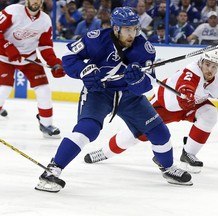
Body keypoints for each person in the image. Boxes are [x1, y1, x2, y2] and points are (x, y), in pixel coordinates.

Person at [35, 6, 192, 193]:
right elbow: (69, 57)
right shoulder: (95, 39)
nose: (132, 33)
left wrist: (137, 80)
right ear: (116, 28)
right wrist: (84, 71)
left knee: (160, 133)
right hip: (98, 92)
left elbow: (147, 85)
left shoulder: (145, 49)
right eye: (127, 29)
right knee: (88, 130)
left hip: (129, 96)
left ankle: (167, 168)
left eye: (134, 29)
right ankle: (52, 170)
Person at [84, 49, 218, 174]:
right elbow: (185, 86)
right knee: (134, 136)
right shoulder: (190, 72)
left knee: (210, 114)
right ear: (201, 61)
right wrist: (185, 95)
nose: (210, 70)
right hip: (165, 107)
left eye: (214, 66)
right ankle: (105, 152)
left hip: (191, 106)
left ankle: (188, 154)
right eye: (208, 64)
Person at [0, 0, 65, 138]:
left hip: (29, 58)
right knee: (3, 89)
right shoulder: (13, 11)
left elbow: (45, 45)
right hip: (4, 58)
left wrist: (54, 63)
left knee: (44, 90)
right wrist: (7, 48)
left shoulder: (45, 20)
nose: (35, 1)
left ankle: (46, 125)